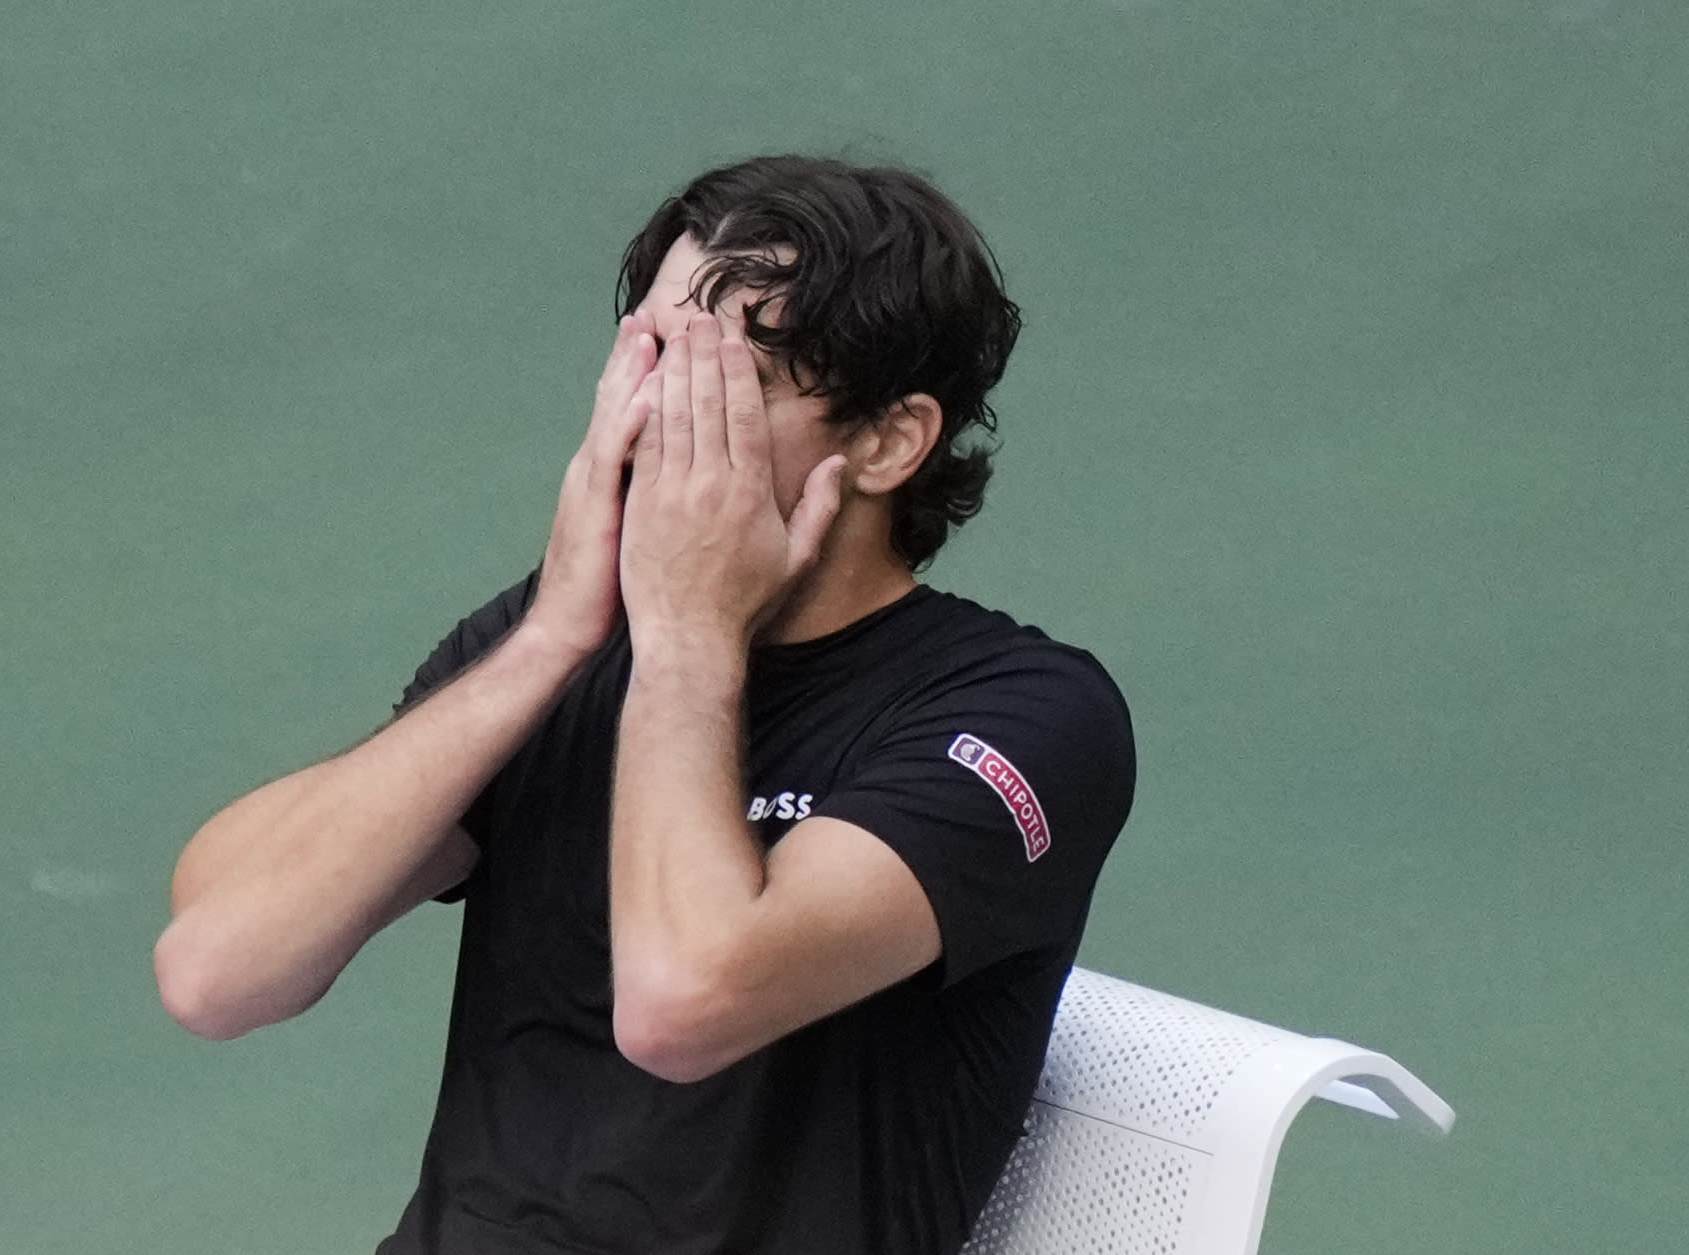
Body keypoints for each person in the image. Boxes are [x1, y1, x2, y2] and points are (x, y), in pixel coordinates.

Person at [154, 155, 1137, 1255]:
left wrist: (686, 632)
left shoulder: (1026, 714)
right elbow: (216, 972)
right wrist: (551, 640)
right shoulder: (560, 641)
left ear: (888, 439)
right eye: (653, 358)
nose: (659, 421)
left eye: (729, 385)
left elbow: (682, 1003)